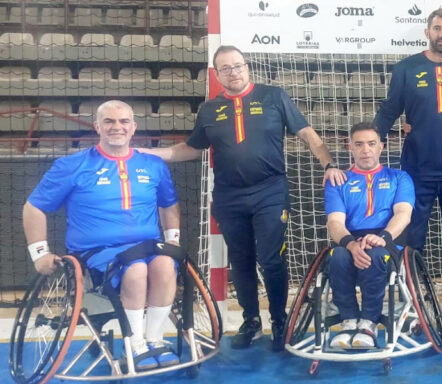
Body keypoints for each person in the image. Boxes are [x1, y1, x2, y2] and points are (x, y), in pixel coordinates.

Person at [140, 45, 347, 351]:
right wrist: (150, 153)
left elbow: (307, 133)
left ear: (247, 67)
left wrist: (328, 164)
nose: (233, 72)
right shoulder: (208, 110)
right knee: (240, 261)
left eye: (238, 66)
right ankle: (251, 321)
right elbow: (192, 148)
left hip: (270, 192)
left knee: (271, 258)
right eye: (225, 68)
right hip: (229, 196)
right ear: (217, 74)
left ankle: (279, 320)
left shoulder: (274, 96)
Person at [23, 100, 182, 370]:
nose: (116, 127)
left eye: (123, 121)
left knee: (166, 264)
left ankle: (154, 339)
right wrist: (39, 253)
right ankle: (135, 343)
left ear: (133, 127)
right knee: (135, 269)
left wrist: (173, 238)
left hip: (147, 246)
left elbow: (169, 204)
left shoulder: (153, 165)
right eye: (109, 121)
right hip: (98, 253)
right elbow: (34, 207)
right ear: (97, 127)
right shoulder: (72, 165)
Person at [374, 7, 442, 332]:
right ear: (427, 32)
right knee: (411, 242)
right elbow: (389, 110)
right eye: (437, 28)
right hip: (416, 172)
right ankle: (412, 307)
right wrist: (370, 145)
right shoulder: (406, 68)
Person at [324, 122, 414, 348]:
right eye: (359, 144)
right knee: (338, 256)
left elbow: (403, 214)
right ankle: (348, 320)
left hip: (387, 240)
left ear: (381, 147)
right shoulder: (338, 182)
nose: (366, 150)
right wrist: (351, 245)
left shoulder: (400, 177)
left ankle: (369, 322)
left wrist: (383, 237)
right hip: (350, 240)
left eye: (371, 144)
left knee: (376, 255)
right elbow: (334, 222)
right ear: (350, 147)